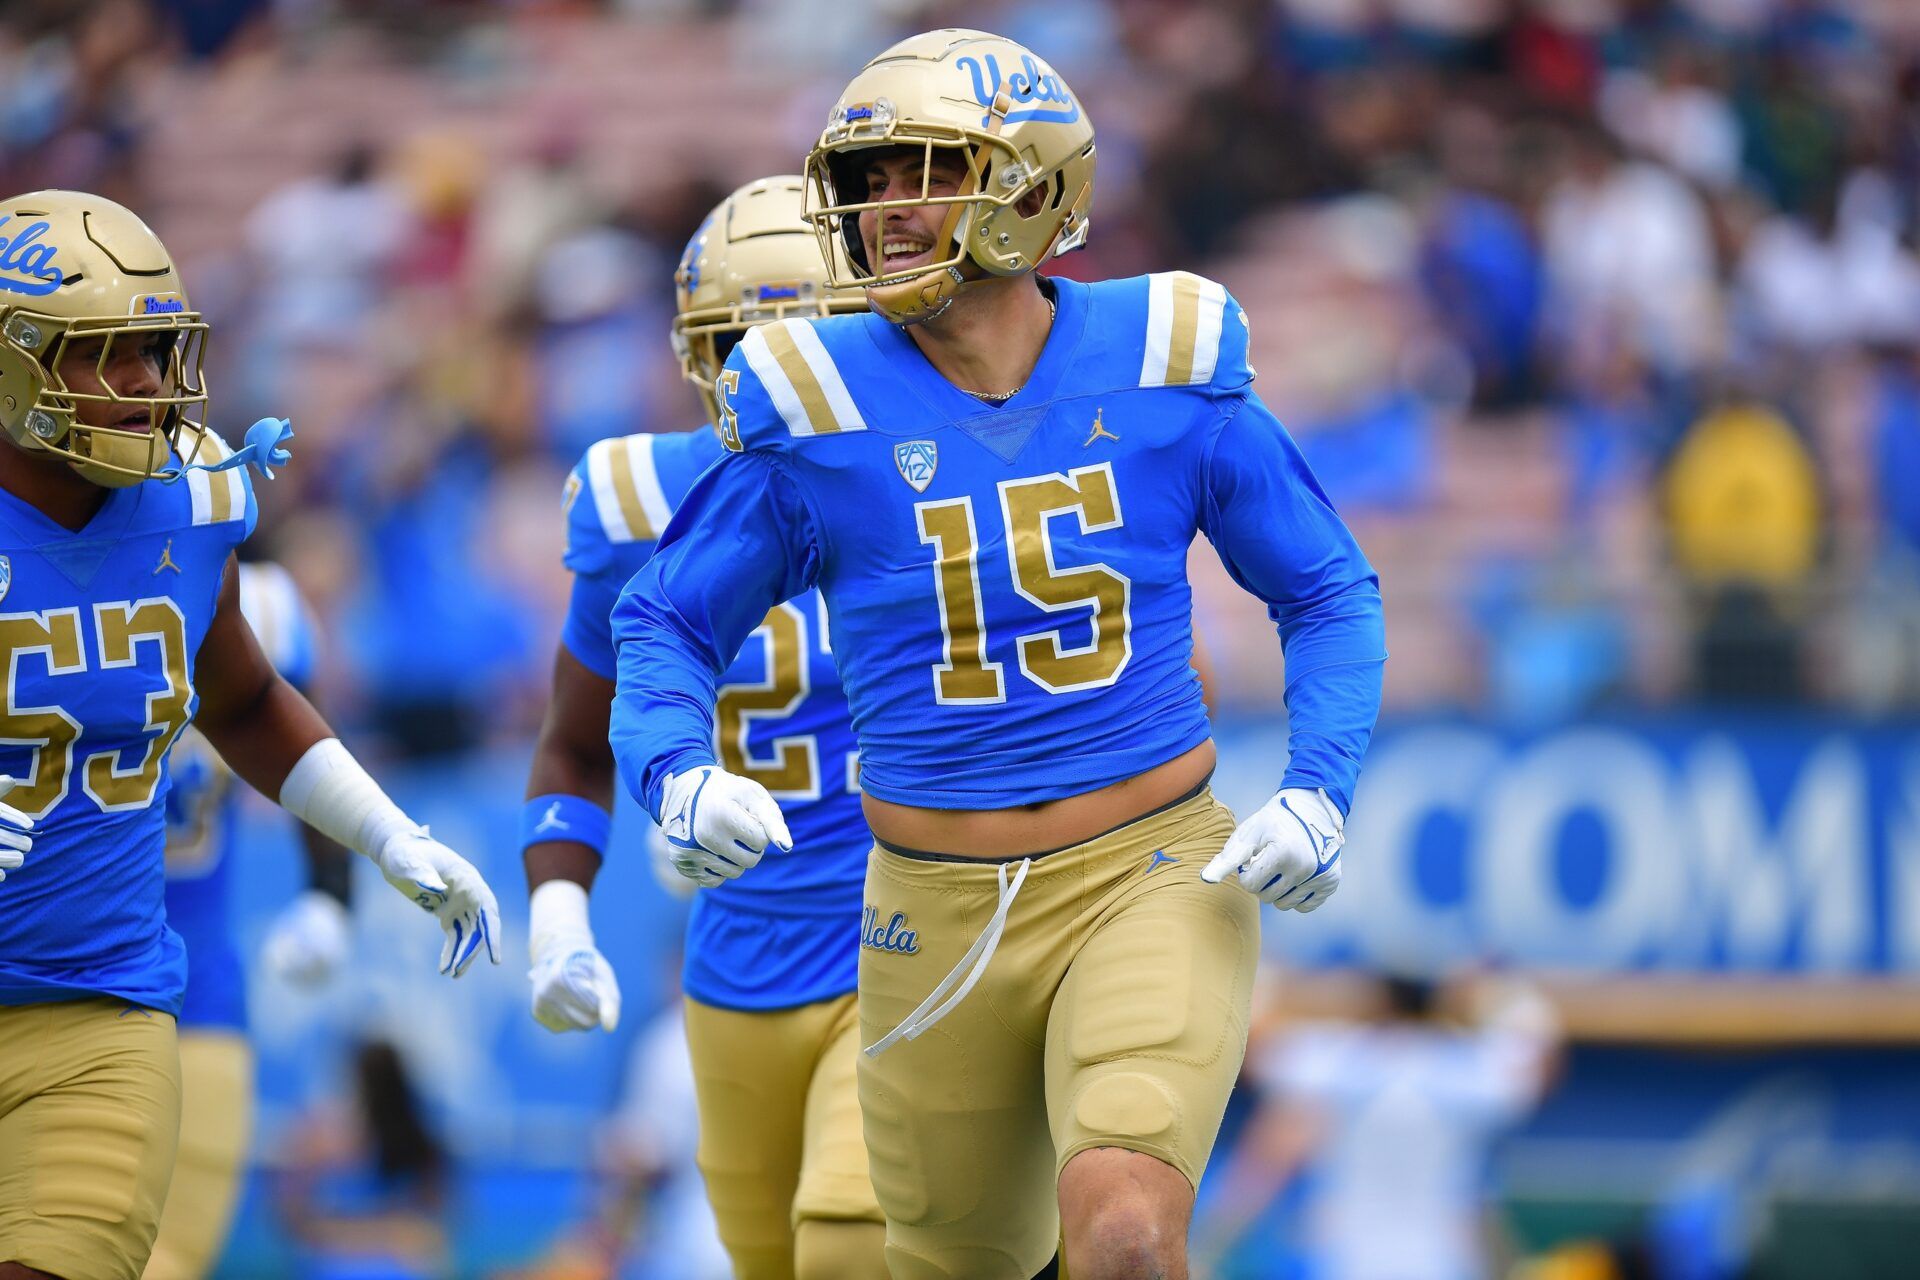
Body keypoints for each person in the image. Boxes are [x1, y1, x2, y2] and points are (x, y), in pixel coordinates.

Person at [608, 30, 1386, 1280]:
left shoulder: (1162, 358)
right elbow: (664, 618)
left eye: (917, 169)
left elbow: (1328, 588)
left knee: (1126, 1232)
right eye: (863, 180)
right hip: (929, 902)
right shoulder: (814, 402)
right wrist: (675, 770)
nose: (881, 208)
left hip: (1146, 866)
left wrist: (1319, 785)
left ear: (1031, 182)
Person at [0, 189, 500, 1280]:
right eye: (106, 354)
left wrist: (382, 832)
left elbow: (238, 696)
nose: (146, 382)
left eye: (156, 348)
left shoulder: (189, 494)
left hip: (97, 1009)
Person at [520, 176, 887, 1278]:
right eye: (737, 345)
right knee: (764, 1254)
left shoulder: (937, 471)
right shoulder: (638, 497)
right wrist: (556, 907)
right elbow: (576, 742)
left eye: (799, 343)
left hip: (917, 929)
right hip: (735, 961)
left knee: (851, 1235)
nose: (764, 379)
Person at [144, 560, 351, 1280]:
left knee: (171, 1256)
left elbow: (313, 754)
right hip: (41, 980)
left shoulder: (257, 604)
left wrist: (331, 893)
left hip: (193, 987)